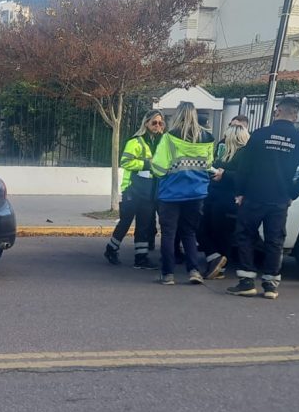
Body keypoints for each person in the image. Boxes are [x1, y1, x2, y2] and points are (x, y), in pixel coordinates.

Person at [227, 97, 299, 299]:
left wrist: (239, 192)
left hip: (254, 195)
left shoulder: (259, 135)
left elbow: (244, 166)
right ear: (296, 115)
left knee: (245, 235)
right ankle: (271, 284)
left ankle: (247, 281)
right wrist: (292, 193)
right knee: (275, 240)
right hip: (280, 198)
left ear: (277, 112)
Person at [150, 101, 215, 285]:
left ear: (177, 116)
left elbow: (158, 167)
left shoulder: (169, 138)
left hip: (171, 193)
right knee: (189, 233)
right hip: (197, 193)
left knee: (169, 234)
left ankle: (168, 274)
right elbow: (208, 164)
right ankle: (194, 271)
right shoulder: (207, 137)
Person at [104, 110, 166, 269]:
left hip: (149, 190)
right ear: (146, 123)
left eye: (160, 123)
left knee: (144, 225)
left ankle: (141, 258)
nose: (157, 126)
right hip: (132, 189)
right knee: (125, 222)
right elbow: (125, 162)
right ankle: (111, 249)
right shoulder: (136, 141)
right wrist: (146, 164)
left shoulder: (161, 142)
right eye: (154, 122)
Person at [199, 123, 249, 279]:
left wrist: (224, 174)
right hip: (215, 195)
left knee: (220, 232)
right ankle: (216, 260)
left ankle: (218, 264)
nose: (224, 138)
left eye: (227, 136)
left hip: (226, 198)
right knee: (208, 229)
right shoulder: (224, 151)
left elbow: (244, 176)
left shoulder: (243, 154)